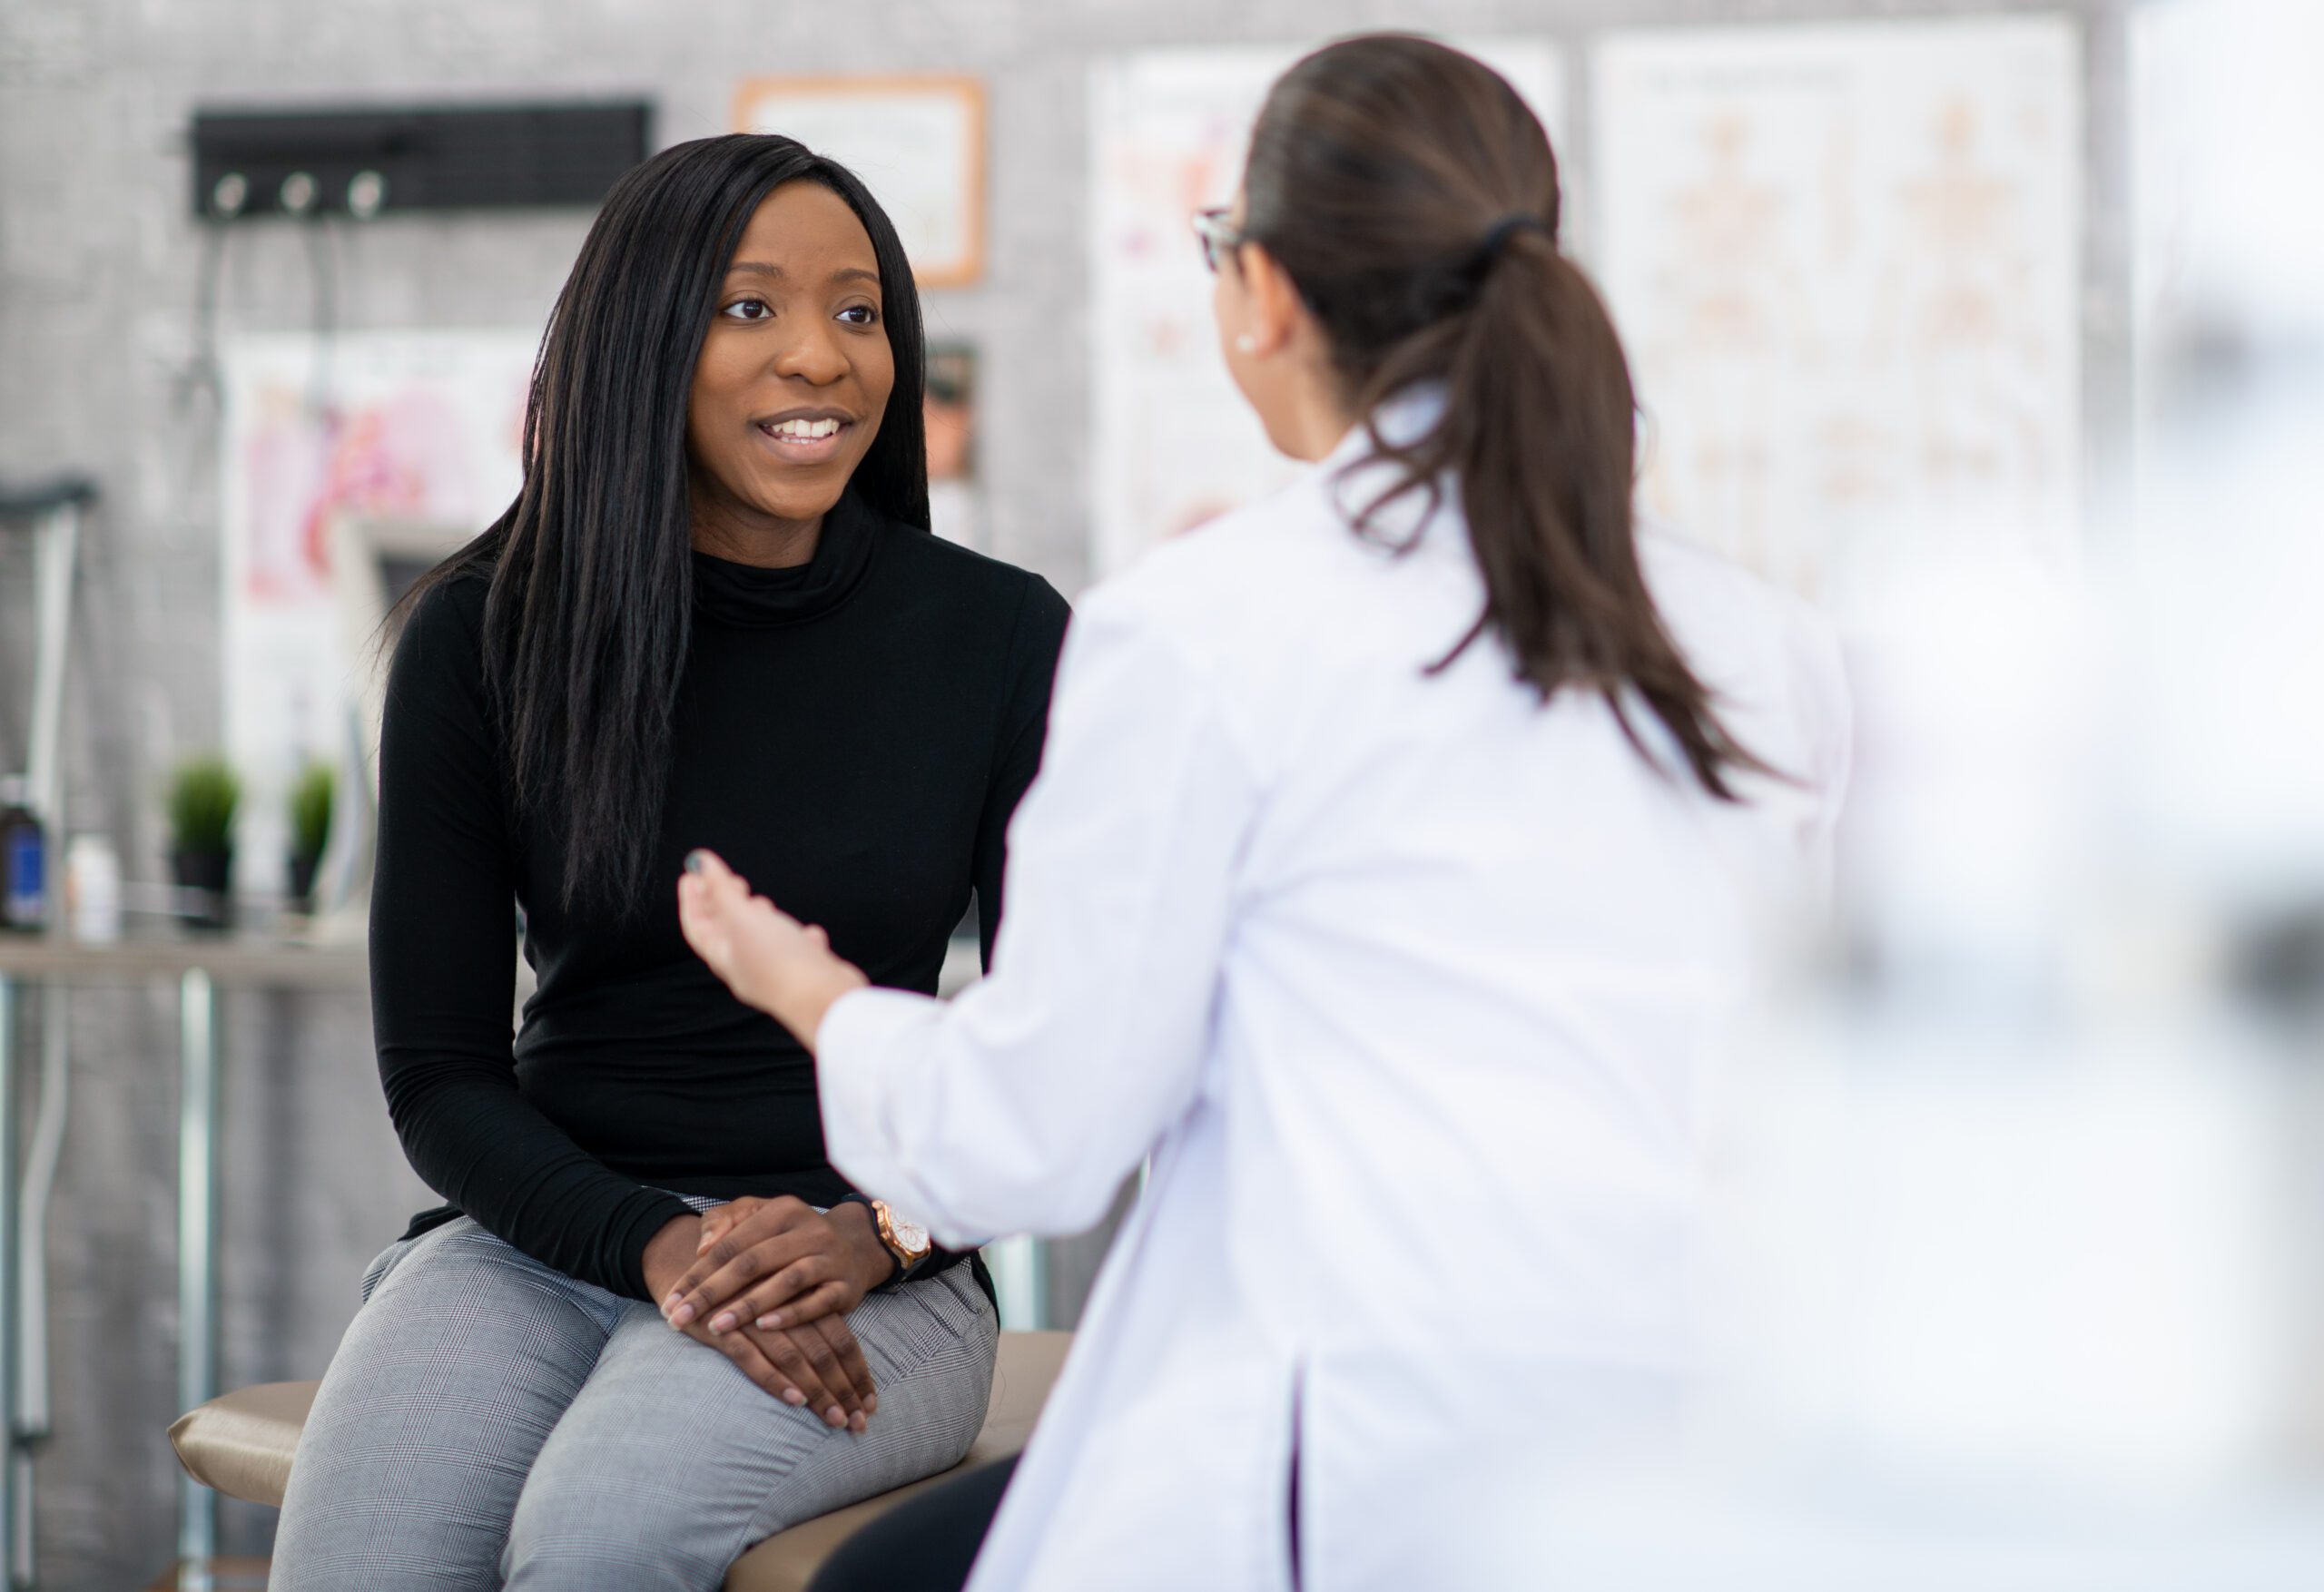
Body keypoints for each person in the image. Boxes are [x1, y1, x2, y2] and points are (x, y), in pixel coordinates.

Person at [672, 34, 1852, 1592]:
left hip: (1355, 1466)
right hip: (1706, 1445)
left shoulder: (1207, 629)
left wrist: (810, 992)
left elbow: (1035, 1142)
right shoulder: (1770, 647)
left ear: (1269, 292)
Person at [269, 133, 1069, 1591]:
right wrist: (656, 1245)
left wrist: (877, 1230)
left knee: (596, 1538)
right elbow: (438, 1072)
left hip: (875, 1265)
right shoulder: (480, 633)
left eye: (859, 310)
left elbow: (1062, 1049)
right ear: (645, 342)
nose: (822, 358)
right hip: (545, 1236)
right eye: (751, 308)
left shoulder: (1003, 637)